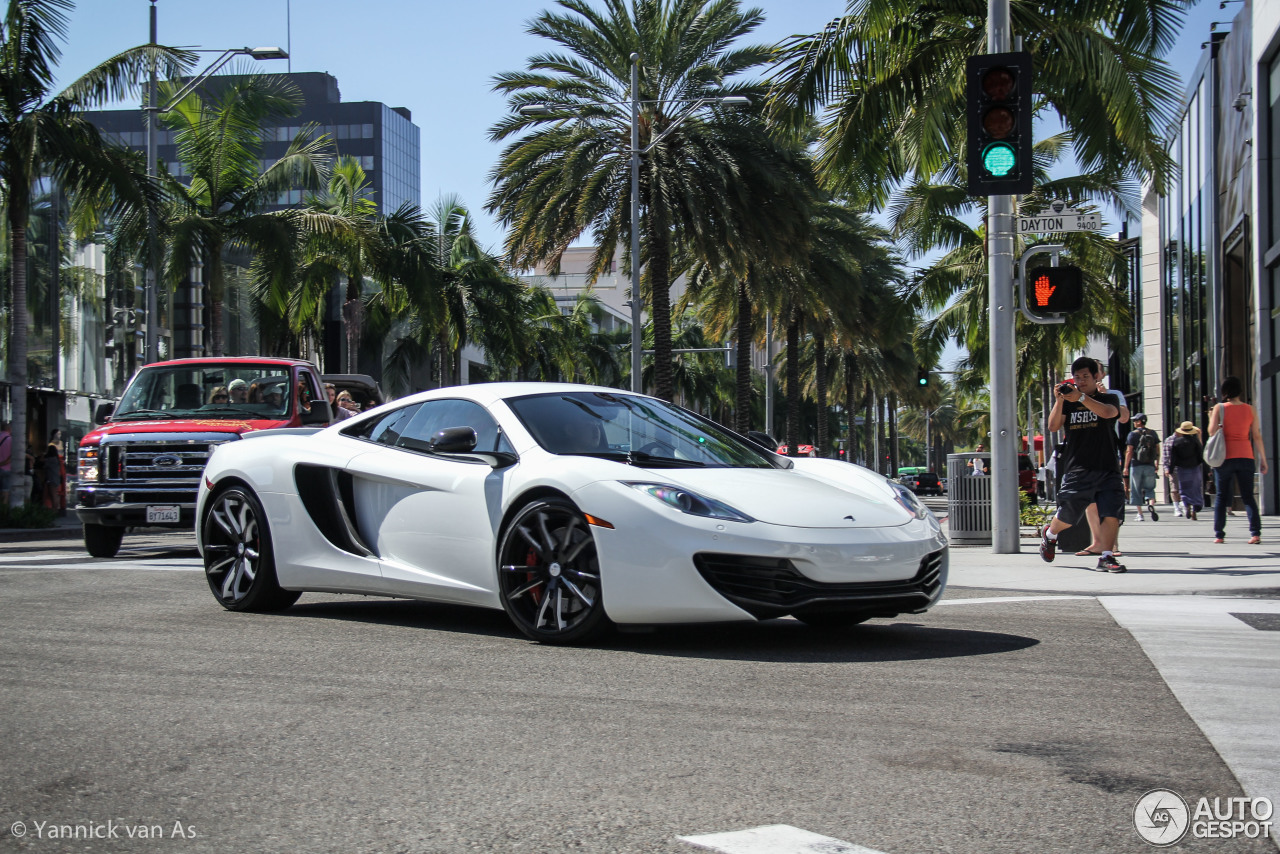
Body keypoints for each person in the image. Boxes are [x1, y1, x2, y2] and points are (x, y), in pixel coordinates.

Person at [1038, 356, 1127, 573]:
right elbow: (1052, 426)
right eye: (1077, 377)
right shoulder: (1069, 402)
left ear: (1096, 376)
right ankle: (1050, 534)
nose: (1081, 381)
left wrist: (1082, 397)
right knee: (1068, 515)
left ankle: (1106, 556)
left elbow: (1108, 413)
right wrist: (1060, 400)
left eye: (1086, 376)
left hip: (1107, 467)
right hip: (1079, 468)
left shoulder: (1109, 398)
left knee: (1111, 512)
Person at [1207, 376, 1268, 544]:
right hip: (1246, 456)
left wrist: (1211, 416)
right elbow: (1256, 435)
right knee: (1248, 496)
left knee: (1221, 496)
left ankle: (1219, 535)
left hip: (1225, 457)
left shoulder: (1219, 408)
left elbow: (1211, 432)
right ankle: (1255, 533)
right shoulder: (1250, 409)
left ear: (1225, 392)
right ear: (1240, 391)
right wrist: (1263, 459)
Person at [1123, 413, 1161, 522]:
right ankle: (1151, 503)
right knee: (1150, 488)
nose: (1134, 422)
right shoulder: (1152, 433)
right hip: (1149, 465)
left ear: (1140, 421)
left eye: (1135, 420)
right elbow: (1157, 450)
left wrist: (1126, 467)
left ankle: (1140, 514)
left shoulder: (1132, 434)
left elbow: (1129, 451)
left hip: (1136, 465)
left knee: (1136, 489)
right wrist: (1157, 463)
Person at [1169, 421, 1205, 520]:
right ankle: (1195, 507)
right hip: (1194, 467)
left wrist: (1170, 469)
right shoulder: (1195, 441)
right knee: (1195, 487)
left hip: (1182, 468)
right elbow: (1200, 454)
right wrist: (1204, 466)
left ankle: (1187, 504)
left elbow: (1173, 457)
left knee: (1184, 488)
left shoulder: (1176, 442)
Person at [1161, 431, 1183, 516]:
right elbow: (1165, 455)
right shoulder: (1169, 440)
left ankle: (1183, 505)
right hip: (1173, 468)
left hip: (1184, 467)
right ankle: (1177, 508)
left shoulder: (1186, 438)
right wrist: (1166, 468)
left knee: (1183, 488)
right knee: (1174, 489)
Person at [0, 420, 12, 506]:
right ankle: (3, 512)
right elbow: (13, 456)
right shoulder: (11, 440)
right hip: (6, 468)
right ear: (8, 429)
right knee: (5, 491)